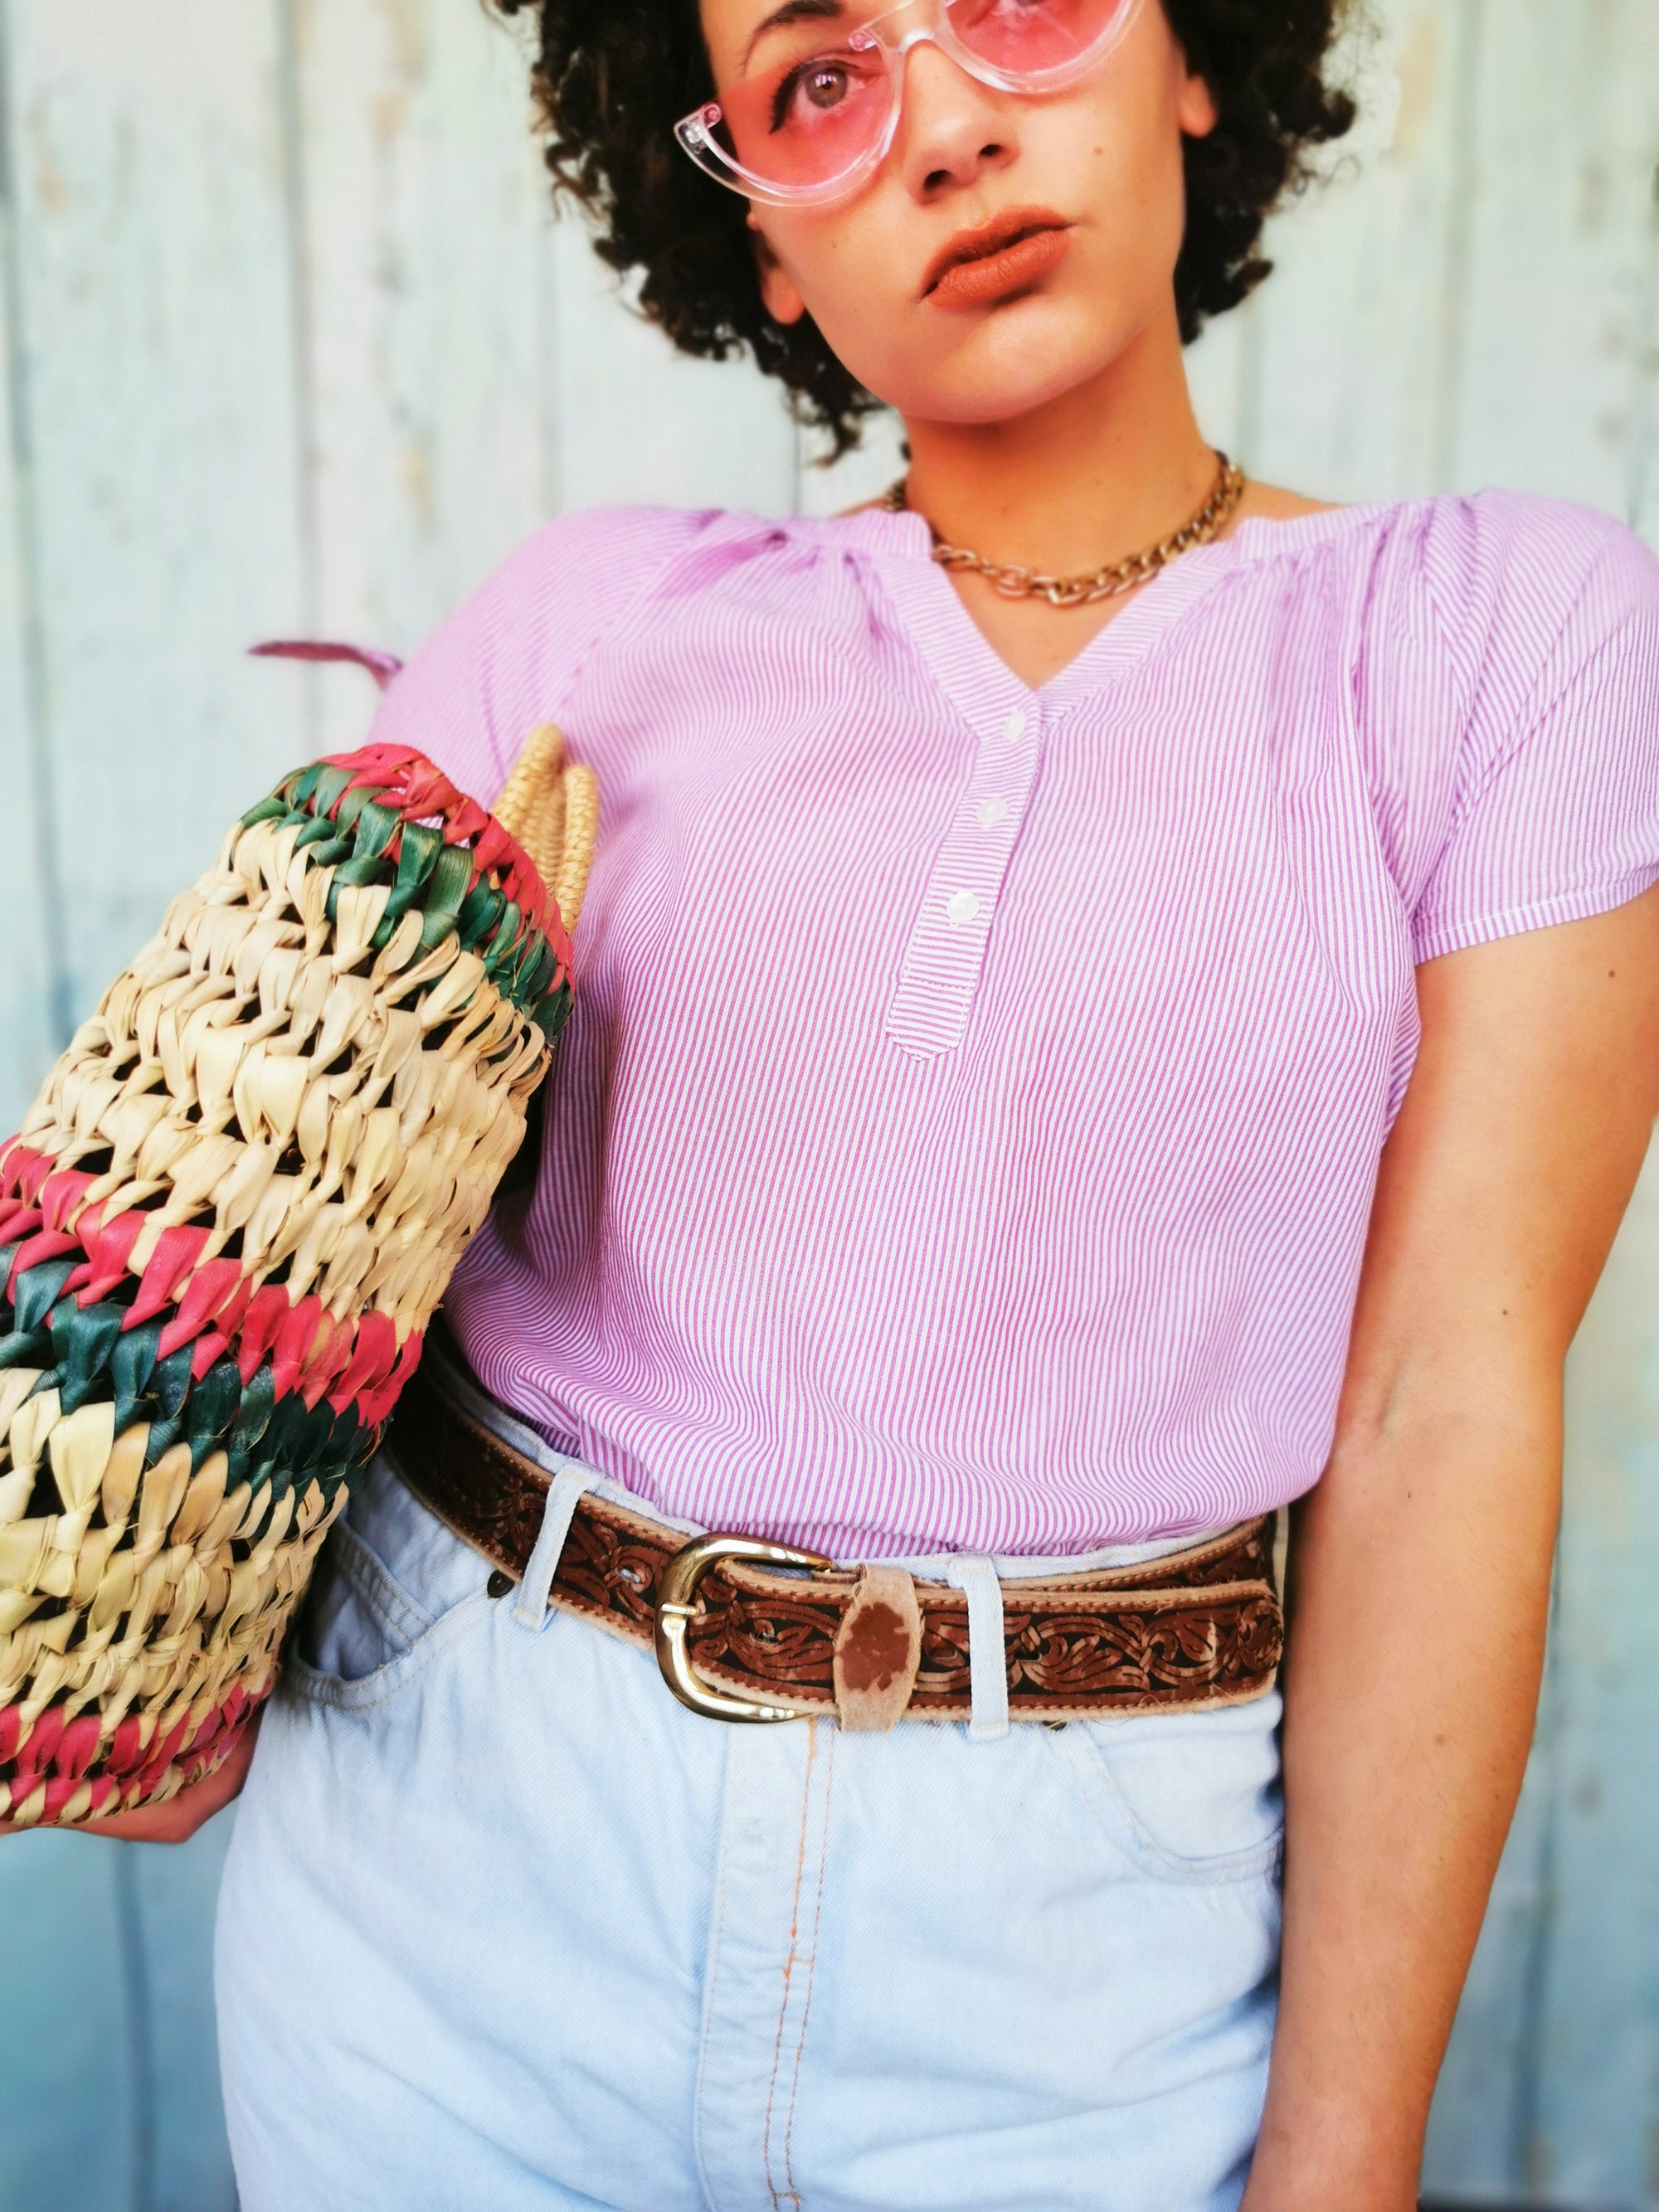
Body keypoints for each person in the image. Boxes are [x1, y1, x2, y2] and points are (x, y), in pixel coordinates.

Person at [58, 0, 1659, 2205]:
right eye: (818, 81)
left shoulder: (1502, 638)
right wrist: (163, 1591)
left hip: (1077, 1971)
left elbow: (1438, 1415)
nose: (945, 134)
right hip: (447, 1892)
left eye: (1018, 5)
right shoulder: (597, 619)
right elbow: (285, 1180)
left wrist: (1348, 2147)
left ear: (1198, 56)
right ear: (768, 250)